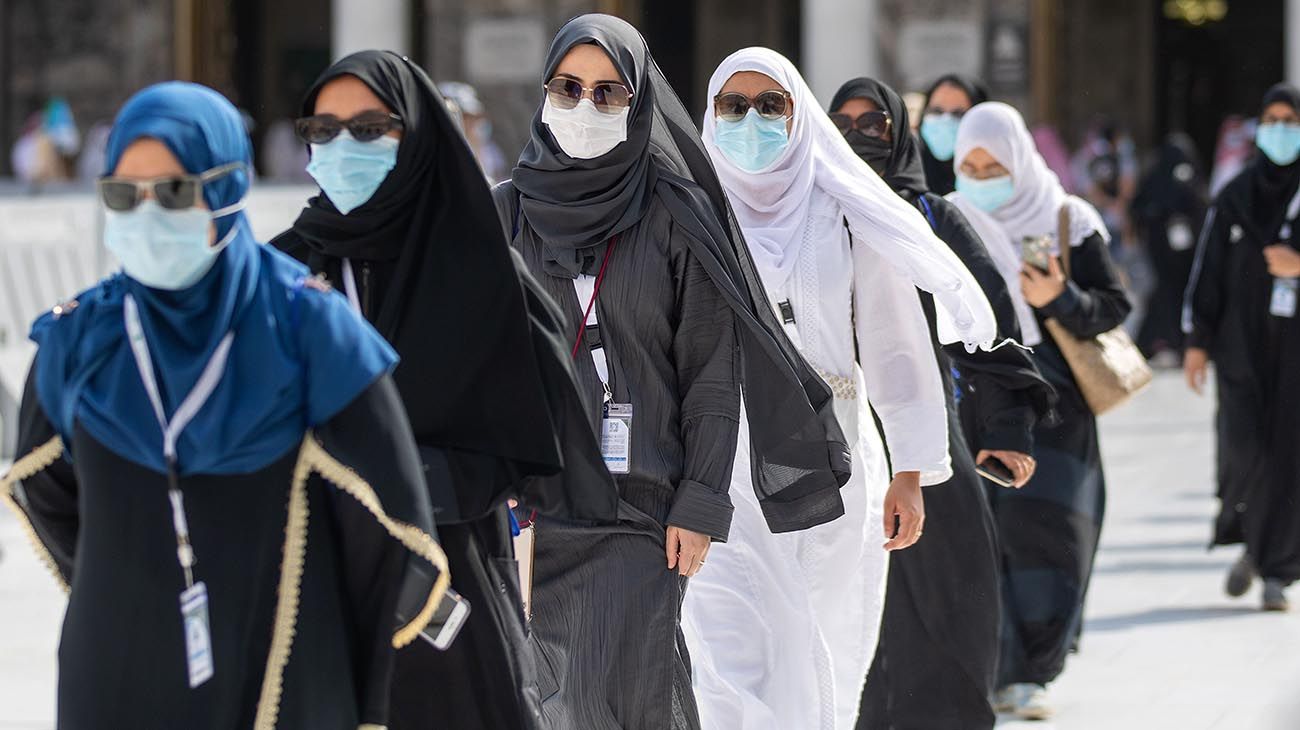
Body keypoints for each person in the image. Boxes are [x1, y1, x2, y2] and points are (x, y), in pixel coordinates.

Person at [0, 81, 448, 729]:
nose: (149, 214)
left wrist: (329, 619)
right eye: (125, 195)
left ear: (228, 186)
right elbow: (44, 489)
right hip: (118, 664)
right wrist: (128, 569)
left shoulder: (308, 330)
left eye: (176, 191)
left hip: (282, 663)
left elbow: (389, 521)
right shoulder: (78, 339)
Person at [493, 16, 854, 730]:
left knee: (630, 686)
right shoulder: (506, 211)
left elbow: (710, 375)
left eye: (607, 92)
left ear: (637, 104)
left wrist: (700, 502)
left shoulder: (673, 215)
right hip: (527, 505)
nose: (584, 106)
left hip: (639, 504)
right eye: (568, 87)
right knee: (542, 698)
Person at [271, 51, 618, 730]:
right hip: (312, 582)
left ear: (419, 134)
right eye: (325, 129)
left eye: (371, 129)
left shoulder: (476, 268)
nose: (344, 148)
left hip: (444, 579)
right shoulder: (283, 268)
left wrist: (397, 483)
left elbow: (527, 436)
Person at [685, 50, 1000, 730]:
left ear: (800, 117)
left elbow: (894, 348)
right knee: (723, 654)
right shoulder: (690, 213)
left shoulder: (842, 210)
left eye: (770, 106)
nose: (751, 122)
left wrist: (912, 471)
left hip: (837, 464)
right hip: (720, 464)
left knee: (820, 644)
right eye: (732, 107)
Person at [829, 77, 1055, 730]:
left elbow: (992, 326)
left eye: (874, 125)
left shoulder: (932, 218)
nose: (858, 138)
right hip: (834, 437)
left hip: (928, 437)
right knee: (857, 615)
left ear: (899, 134)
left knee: (953, 602)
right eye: (841, 125)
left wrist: (1006, 427)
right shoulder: (808, 217)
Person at [948, 101, 1132, 720]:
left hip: (1057, 408)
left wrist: (1060, 298)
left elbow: (1111, 306)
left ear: (1020, 161)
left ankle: (1037, 665)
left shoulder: (1064, 219)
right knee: (989, 535)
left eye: (992, 164)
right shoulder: (948, 219)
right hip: (980, 400)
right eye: (968, 164)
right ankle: (999, 664)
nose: (979, 175)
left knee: (1053, 532)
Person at [1184, 83, 1300, 613]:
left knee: (1288, 456)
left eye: (1290, 120)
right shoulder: (1236, 196)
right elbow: (1207, 270)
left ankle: (1275, 568)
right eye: (1271, 119)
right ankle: (1254, 545)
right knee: (1244, 450)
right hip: (1240, 349)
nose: (1280, 130)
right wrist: (1196, 342)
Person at [1132, 133, 1206, 363]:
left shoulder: (1159, 177)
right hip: (1168, 252)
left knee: (1169, 294)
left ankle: (1172, 343)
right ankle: (1164, 342)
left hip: (1171, 252)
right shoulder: (1171, 177)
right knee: (1168, 294)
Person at [918, 74, 989, 196]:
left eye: (958, 114)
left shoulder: (992, 178)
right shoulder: (903, 172)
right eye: (937, 111)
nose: (945, 121)